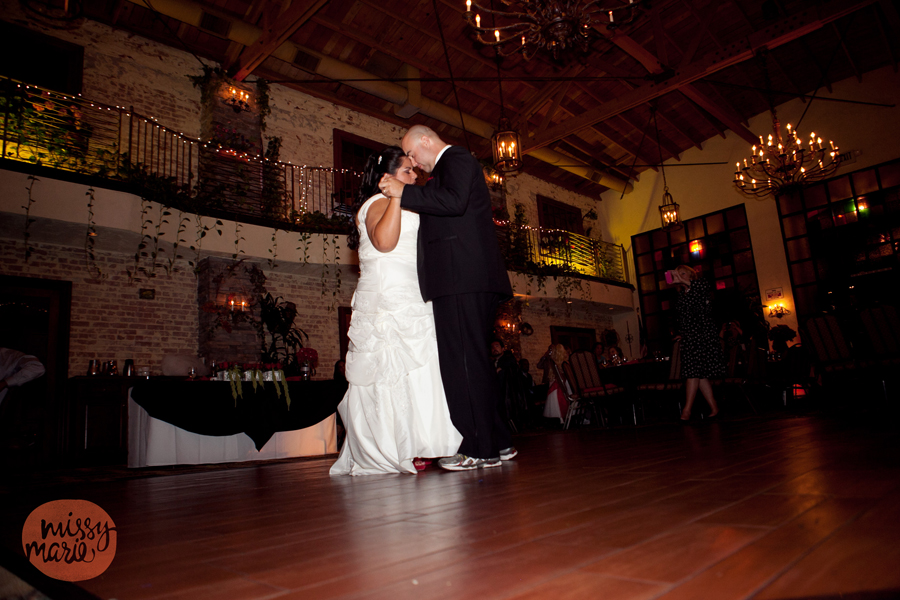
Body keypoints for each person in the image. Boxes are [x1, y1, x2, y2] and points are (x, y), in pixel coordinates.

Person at [380, 125, 515, 470]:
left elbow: (453, 202)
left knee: (464, 365)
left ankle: (479, 448)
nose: (413, 162)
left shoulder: (456, 158)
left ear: (426, 140)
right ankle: (498, 442)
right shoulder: (447, 170)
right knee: (475, 363)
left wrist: (403, 191)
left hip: (461, 276)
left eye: (413, 153)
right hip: (464, 276)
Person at [330, 146, 462, 476]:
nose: (414, 175)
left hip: (414, 294)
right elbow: (385, 243)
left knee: (422, 368)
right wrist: (395, 197)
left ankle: (429, 443)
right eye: (407, 171)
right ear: (386, 177)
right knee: (389, 371)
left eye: (414, 171)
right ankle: (396, 446)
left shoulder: (409, 202)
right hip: (388, 297)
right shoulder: (377, 203)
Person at [670, 265, 724, 421]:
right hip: (690, 338)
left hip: (702, 337)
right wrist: (683, 333)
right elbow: (685, 318)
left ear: (691, 275)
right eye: (677, 274)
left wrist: (683, 281)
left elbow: (701, 311)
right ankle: (714, 407)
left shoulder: (700, 286)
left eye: (683, 273)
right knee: (698, 375)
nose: (680, 276)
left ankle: (686, 411)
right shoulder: (682, 295)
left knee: (693, 372)